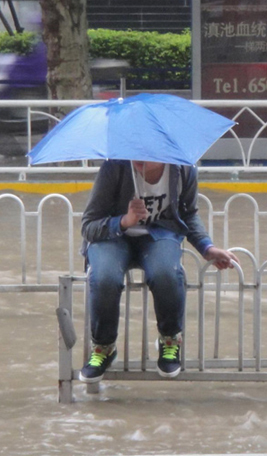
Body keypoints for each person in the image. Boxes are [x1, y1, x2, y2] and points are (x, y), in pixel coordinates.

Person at [78, 159, 238, 383]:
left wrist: (207, 247)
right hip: (112, 238)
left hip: (159, 235)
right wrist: (124, 221)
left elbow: (188, 214)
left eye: (147, 153)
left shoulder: (183, 169)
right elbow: (88, 225)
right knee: (105, 277)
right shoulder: (114, 168)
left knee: (166, 273)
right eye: (135, 149)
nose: (139, 158)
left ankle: (170, 339)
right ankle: (103, 347)